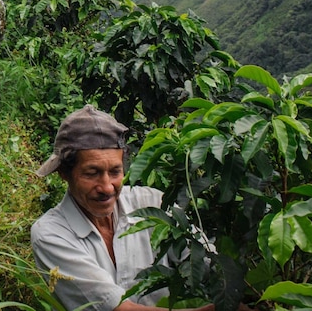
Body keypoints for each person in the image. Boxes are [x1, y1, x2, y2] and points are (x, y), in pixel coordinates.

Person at [31, 105, 246, 311]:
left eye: (115, 172)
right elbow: (116, 308)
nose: (107, 187)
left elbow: (206, 262)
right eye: (91, 173)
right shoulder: (50, 234)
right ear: (64, 174)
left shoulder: (153, 204)